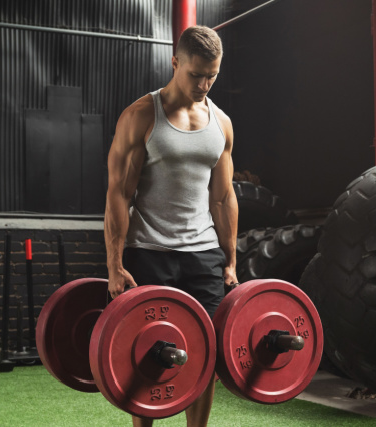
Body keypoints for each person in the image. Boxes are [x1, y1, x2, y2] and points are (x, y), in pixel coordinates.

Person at [103, 25, 238, 427]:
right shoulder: (142, 116)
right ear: (175, 62)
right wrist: (114, 263)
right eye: (195, 74)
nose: (204, 84)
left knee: (207, 353)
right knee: (147, 354)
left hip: (203, 254)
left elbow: (223, 196)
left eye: (212, 75)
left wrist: (230, 259)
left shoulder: (222, 124)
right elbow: (117, 194)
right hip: (149, 253)